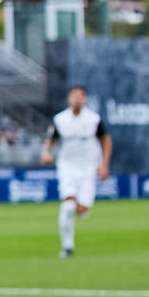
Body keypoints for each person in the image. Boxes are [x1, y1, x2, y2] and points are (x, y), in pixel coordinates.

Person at [40, 85, 112, 258]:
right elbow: (50, 140)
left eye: (81, 96)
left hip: (88, 166)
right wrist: (46, 153)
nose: (77, 99)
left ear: (85, 99)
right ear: (69, 98)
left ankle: (82, 206)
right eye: (74, 96)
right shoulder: (60, 119)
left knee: (82, 210)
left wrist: (104, 165)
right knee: (67, 206)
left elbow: (106, 139)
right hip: (67, 165)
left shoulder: (94, 119)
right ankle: (67, 247)